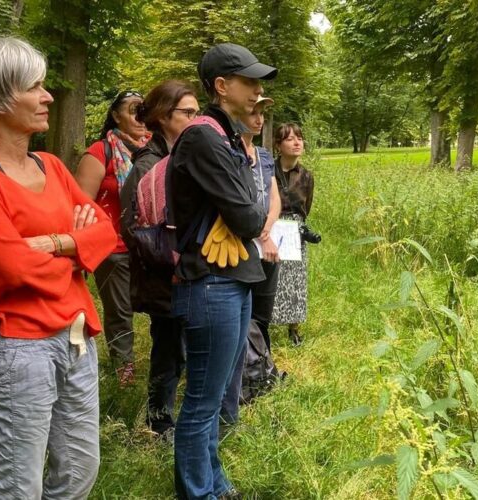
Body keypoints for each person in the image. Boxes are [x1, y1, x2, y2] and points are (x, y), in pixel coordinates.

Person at [0, 37, 116, 498]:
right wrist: (76, 257)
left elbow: (108, 233)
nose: (48, 96)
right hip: (19, 351)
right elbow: (12, 269)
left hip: (76, 341)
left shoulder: (52, 165)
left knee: (79, 472)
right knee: (19, 486)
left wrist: (58, 243)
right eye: (34, 86)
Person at [169, 43, 276, 499]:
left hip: (234, 280)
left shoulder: (228, 136)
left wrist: (245, 207)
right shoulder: (205, 136)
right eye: (249, 82)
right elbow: (253, 217)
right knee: (201, 402)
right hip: (210, 283)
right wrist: (248, 207)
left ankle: (215, 482)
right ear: (221, 86)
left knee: (214, 401)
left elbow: (250, 209)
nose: (257, 91)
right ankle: (198, 492)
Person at [119, 80, 200, 437]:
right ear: (164, 117)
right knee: (168, 348)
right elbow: (135, 227)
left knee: (183, 345)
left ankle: (179, 413)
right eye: (188, 113)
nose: (195, 119)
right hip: (164, 272)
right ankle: (159, 420)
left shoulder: (184, 156)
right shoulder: (147, 165)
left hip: (189, 267)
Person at [75, 89, 150, 385]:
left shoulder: (154, 150)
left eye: (145, 110)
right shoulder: (100, 152)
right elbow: (80, 206)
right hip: (113, 246)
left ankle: (162, 366)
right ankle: (124, 373)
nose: (141, 116)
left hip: (148, 245)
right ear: (116, 115)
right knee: (120, 311)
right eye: (134, 109)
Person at [221, 96, 285, 424]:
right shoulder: (229, 155)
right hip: (238, 245)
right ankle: (243, 380)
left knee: (263, 313)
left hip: (268, 242)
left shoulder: (263, 156)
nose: (259, 120)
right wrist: (260, 235)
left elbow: (274, 199)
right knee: (241, 318)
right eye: (253, 113)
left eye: (262, 114)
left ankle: (263, 370)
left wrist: (267, 230)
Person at [271, 123, 316, 346]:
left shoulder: (307, 176)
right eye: (290, 139)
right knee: (270, 277)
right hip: (271, 228)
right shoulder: (268, 171)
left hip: (295, 230)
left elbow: (306, 209)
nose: (297, 142)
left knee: (295, 280)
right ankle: (261, 325)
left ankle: (294, 329)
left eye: (299, 138)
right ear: (278, 145)